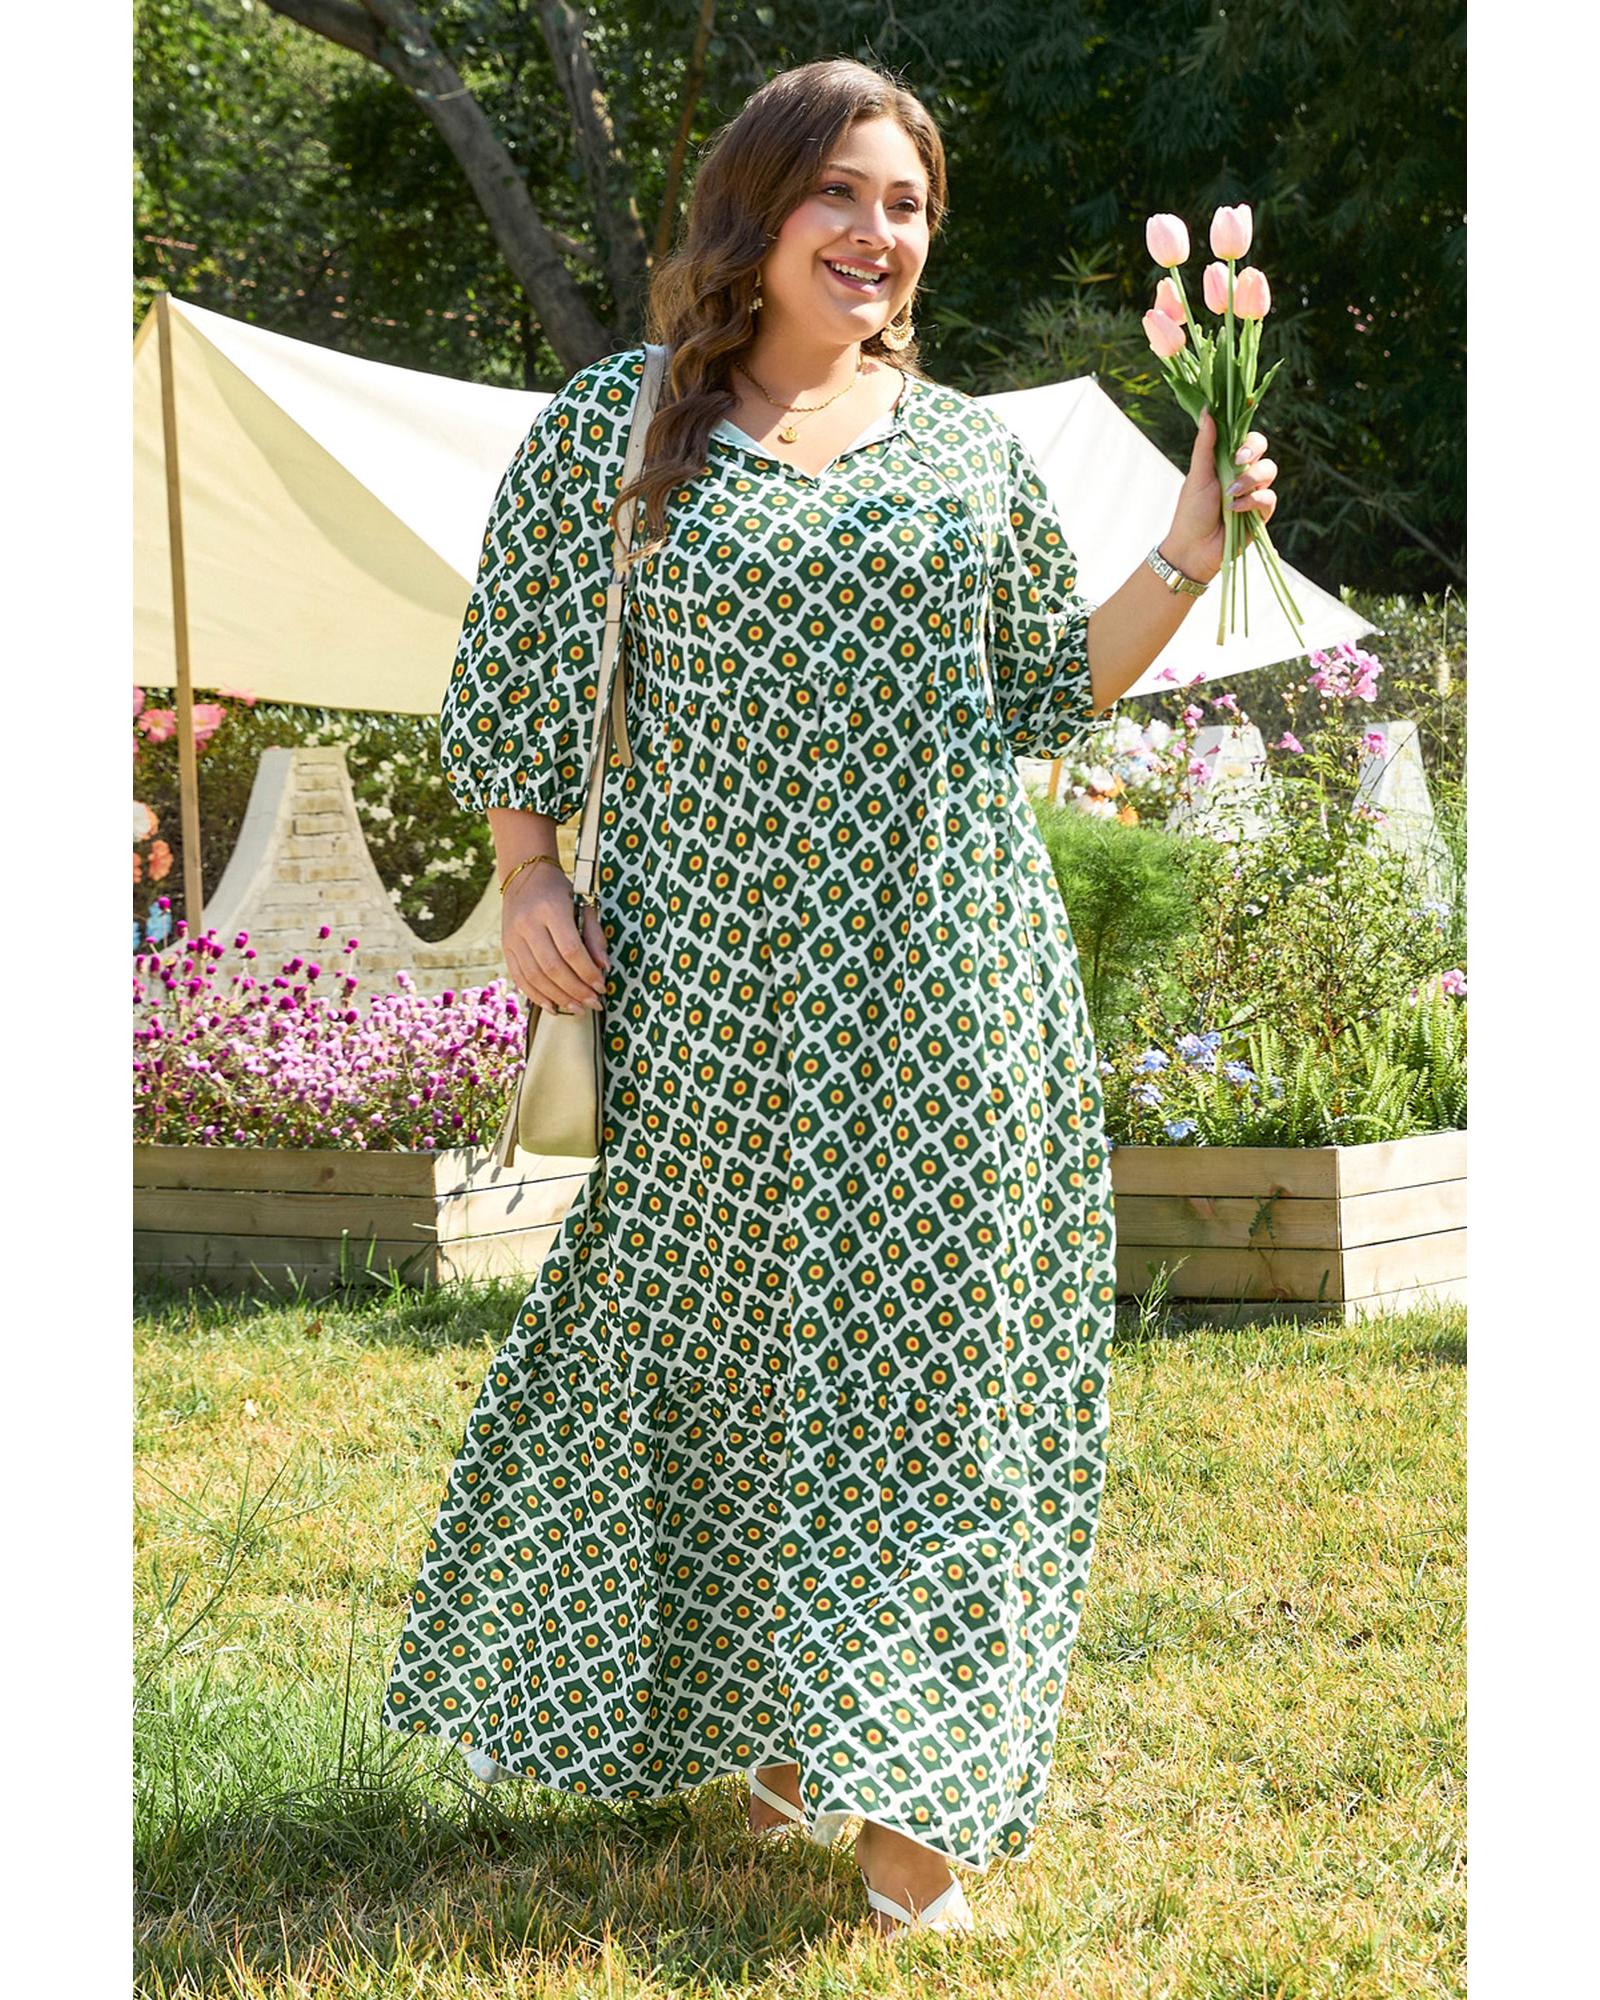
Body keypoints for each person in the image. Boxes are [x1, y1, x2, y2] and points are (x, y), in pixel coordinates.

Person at [382, 55, 1278, 1938]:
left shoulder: (965, 452)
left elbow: (1038, 692)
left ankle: (913, 1805)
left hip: (952, 984)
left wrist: (1188, 554)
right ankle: (782, 1716)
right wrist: (529, 878)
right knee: (728, 1352)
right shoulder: (617, 429)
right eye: (844, 195)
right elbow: (518, 686)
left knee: (942, 1369)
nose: (879, 234)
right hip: (705, 997)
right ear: (759, 207)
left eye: (909, 206)